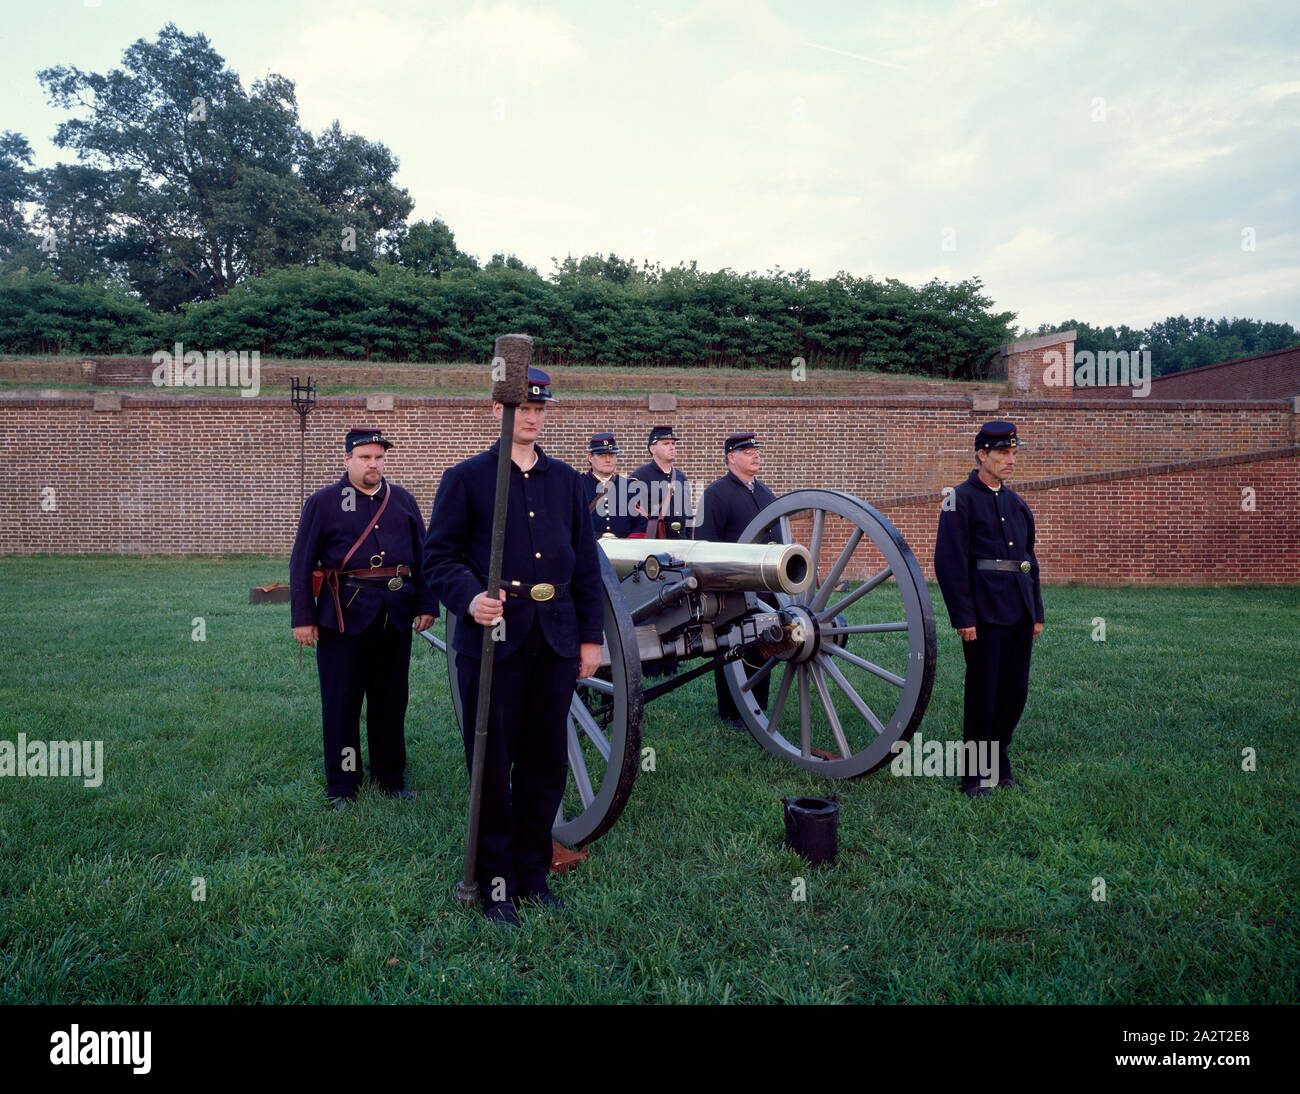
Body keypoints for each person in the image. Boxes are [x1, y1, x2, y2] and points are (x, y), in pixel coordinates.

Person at [423, 367, 604, 926]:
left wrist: (591, 638)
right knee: (493, 762)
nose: (531, 416)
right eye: (521, 407)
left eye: (539, 408)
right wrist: (471, 598)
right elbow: (439, 559)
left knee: (545, 762)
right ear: (495, 410)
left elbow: (587, 566)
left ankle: (533, 872)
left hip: (553, 637)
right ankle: (496, 881)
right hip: (493, 642)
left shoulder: (569, 483)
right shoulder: (467, 478)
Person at [290, 428, 438, 808]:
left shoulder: (401, 500)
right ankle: (343, 785)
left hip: (395, 615)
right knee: (341, 703)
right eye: (365, 457)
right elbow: (301, 564)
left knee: (391, 701)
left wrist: (426, 604)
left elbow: (424, 558)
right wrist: (303, 619)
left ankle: (390, 778)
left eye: (379, 457)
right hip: (343, 618)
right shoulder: (323, 502)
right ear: (348, 460)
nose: (374, 464)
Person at [933, 421, 1044, 798]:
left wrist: (1037, 611)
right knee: (984, 692)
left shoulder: (1016, 503)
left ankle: (1000, 767)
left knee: (1014, 693)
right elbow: (949, 563)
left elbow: (1029, 560)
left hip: (1019, 611)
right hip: (983, 614)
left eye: (1013, 453)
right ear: (982, 455)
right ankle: (975, 776)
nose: (1010, 460)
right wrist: (963, 618)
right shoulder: (958, 499)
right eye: (1003, 453)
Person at [697, 432, 780, 728]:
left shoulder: (766, 493)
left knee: (764, 643)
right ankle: (732, 712)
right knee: (732, 647)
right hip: (733, 587)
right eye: (748, 451)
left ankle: (758, 706)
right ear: (732, 457)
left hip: (767, 588)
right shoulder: (716, 493)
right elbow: (707, 543)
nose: (756, 454)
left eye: (757, 450)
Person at [629, 425, 693, 540]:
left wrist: (689, 539)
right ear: (652, 449)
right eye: (666, 444)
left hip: (681, 542)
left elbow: (688, 514)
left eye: (673, 443)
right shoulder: (639, 476)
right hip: (654, 542)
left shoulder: (681, 477)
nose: (671, 447)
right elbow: (632, 515)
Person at [580, 432, 645, 539]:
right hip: (589, 549)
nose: (608, 460)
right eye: (601, 455)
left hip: (624, 550)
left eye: (611, 455)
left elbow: (641, 525)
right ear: (590, 458)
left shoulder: (630, 487)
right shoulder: (578, 485)